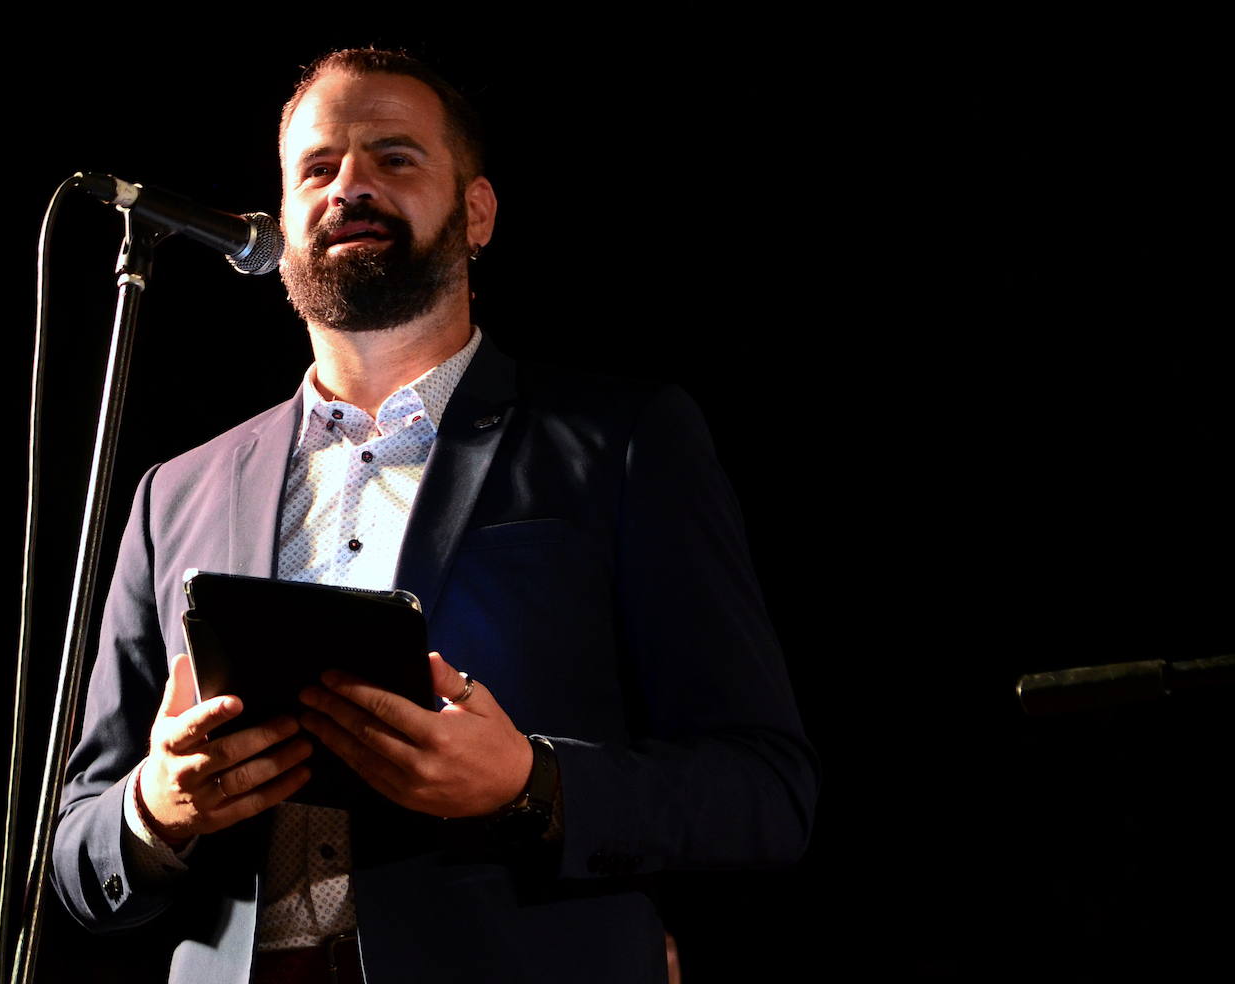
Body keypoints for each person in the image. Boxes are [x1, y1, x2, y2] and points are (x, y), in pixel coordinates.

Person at [52, 48, 818, 984]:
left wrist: (531, 784)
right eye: (318, 167)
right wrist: (155, 810)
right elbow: (76, 850)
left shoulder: (623, 442)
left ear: (477, 212)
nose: (350, 186)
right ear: (281, 223)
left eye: (395, 157)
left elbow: (765, 789)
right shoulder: (175, 492)